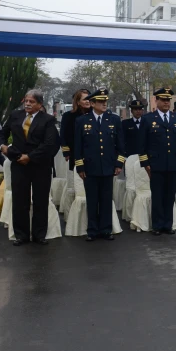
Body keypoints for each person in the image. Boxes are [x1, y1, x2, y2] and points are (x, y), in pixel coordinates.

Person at [0, 90, 59, 246]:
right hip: (18, 164)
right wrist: (2, 146)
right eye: (26, 100)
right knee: (20, 200)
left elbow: (50, 144)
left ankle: (39, 235)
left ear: (39, 104)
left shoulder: (48, 120)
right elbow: (2, 133)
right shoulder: (15, 116)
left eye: (32, 101)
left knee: (40, 200)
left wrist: (30, 157)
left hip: (40, 166)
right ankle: (21, 235)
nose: (27, 104)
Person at [74, 88, 125, 241]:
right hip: (90, 167)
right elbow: (78, 146)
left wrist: (118, 164)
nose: (104, 104)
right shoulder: (82, 121)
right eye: (101, 102)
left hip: (108, 167)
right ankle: (92, 230)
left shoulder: (114, 120)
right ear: (92, 103)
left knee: (106, 199)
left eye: (105, 101)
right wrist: (80, 167)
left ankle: (106, 229)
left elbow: (121, 145)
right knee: (92, 200)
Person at [139, 87, 176, 236]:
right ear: (156, 100)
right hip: (156, 164)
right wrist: (145, 164)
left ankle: (168, 224)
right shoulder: (148, 119)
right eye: (163, 99)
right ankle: (158, 225)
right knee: (158, 195)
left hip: (173, 164)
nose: (166, 102)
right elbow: (142, 144)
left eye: (168, 100)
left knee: (169, 195)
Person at [60, 88, 91, 171]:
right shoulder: (68, 116)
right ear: (78, 102)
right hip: (74, 151)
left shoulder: (94, 115)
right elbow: (63, 135)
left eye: (89, 99)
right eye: (85, 99)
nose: (87, 101)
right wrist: (66, 151)